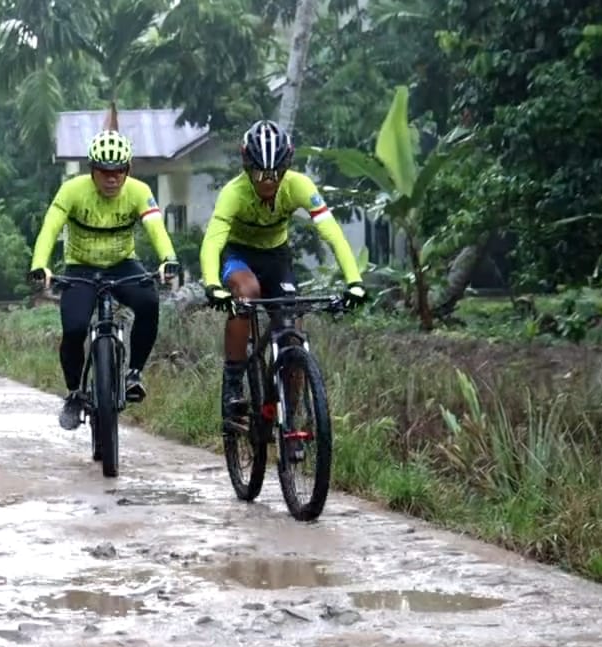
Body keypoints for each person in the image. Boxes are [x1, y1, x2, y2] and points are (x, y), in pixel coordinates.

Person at [199, 120, 367, 440]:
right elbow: (212, 243)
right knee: (247, 294)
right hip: (240, 257)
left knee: (291, 332)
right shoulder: (233, 193)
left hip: (277, 258)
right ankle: (234, 380)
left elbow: (332, 234)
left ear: (286, 167)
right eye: (261, 173)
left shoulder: (299, 186)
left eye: (276, 172)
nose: (269, 181)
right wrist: (212, 285)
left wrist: (354, 281)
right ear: (247, 168)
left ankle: (291, 415)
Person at [27, 130, 179, 431]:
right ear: (92, 170)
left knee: (149, 302)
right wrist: (40, 265)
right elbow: (50, 228)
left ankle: (134, 372)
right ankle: (74, 393)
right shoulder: (72, 191)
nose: (112, 179)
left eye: (119, 171)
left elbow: (155, 227)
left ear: (128, 170)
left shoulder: (138, 191)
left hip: (123, 265)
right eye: (104, 172)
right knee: (73, 329)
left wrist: (168, 258)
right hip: (80, 268)